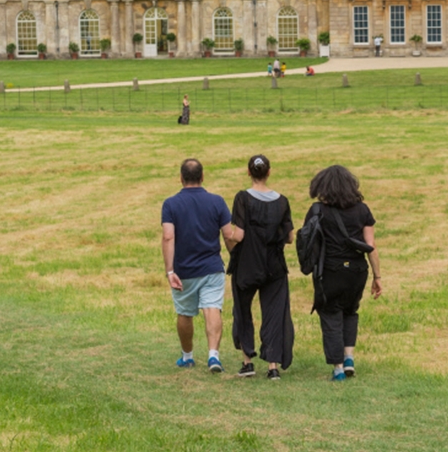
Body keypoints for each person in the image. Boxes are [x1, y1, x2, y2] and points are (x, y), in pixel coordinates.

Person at [302, 165, 382, 381]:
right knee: (350, 311)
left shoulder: (318, 210)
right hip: (357, 270)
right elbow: (371, 246)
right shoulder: (362, 210)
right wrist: (377, 276)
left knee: (330, 313)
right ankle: (349, 358)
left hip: (329, 270)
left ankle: (337, 367)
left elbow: (307, 242)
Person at [162, 158, 235, 373]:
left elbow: (168, 237)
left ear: (181, 178)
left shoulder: (171, 204)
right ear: (202, 177)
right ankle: (213, 355)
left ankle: (187, 356)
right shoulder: (217, 201)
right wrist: (235, 258)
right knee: (212, 308)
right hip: (212, 266)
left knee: (185, 312)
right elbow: (228, 235)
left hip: (184, 269)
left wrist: (169, 271)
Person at [225, 154, 294, 380]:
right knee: (274, 312)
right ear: (269, 172)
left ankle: (248, 362)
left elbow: (240, 234)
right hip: (274, 265)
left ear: (248, 172)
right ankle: (273, 365)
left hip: (247, 263)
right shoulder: (282, 201)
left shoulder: (242, 198)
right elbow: (290, 237)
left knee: (243, 311)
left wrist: (227, 238)